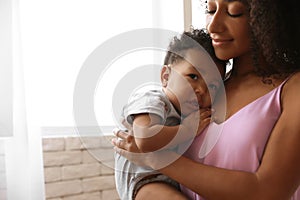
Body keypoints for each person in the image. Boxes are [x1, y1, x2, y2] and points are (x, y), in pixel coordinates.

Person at [112, 0, 300, 199]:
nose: (213, 26)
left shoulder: (292, 89)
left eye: (234, 13)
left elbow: (269, 192)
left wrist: (155, 158)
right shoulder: (204, 92)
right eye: (210, 10)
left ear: (269, 18)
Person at [114, 28, 228, 200]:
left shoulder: (194, 114)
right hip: (145, 181)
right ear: (165, 76)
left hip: (171, 179)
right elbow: (144, 139)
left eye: (212, 86)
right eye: (193, 76)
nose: (201, 90)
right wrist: (187, 130)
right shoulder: (152, 99)